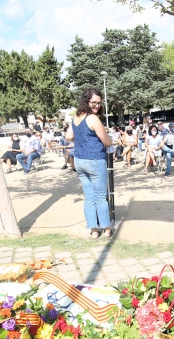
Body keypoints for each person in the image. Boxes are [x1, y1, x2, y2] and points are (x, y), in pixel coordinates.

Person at [65, 88, 113, 239]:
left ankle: (93, 231)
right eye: (94, 102)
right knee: (100, 196)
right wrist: (110, 139)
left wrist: (82, 140)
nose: (97, 106)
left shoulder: (76, 117)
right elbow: (106, 141)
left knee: (89, 197)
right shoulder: (93, 118)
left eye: (99, 103)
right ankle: (106, 229)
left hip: (79, 161)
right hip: (94, 161)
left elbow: (68, 137)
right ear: (86, 101)